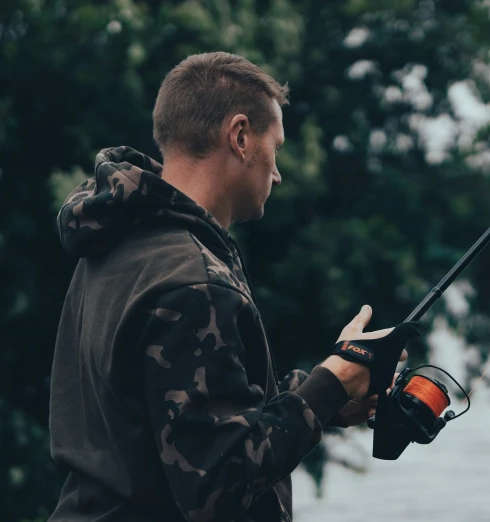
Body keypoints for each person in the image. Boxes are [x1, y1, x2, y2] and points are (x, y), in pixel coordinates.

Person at [48, 52, 413, 522]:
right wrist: (335, 381)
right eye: (275, 148)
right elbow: (218, 486)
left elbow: (174, 421)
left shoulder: (117, 240)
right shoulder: (194, 279)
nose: (277, 173)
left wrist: (323, 397)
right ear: (240, 136)